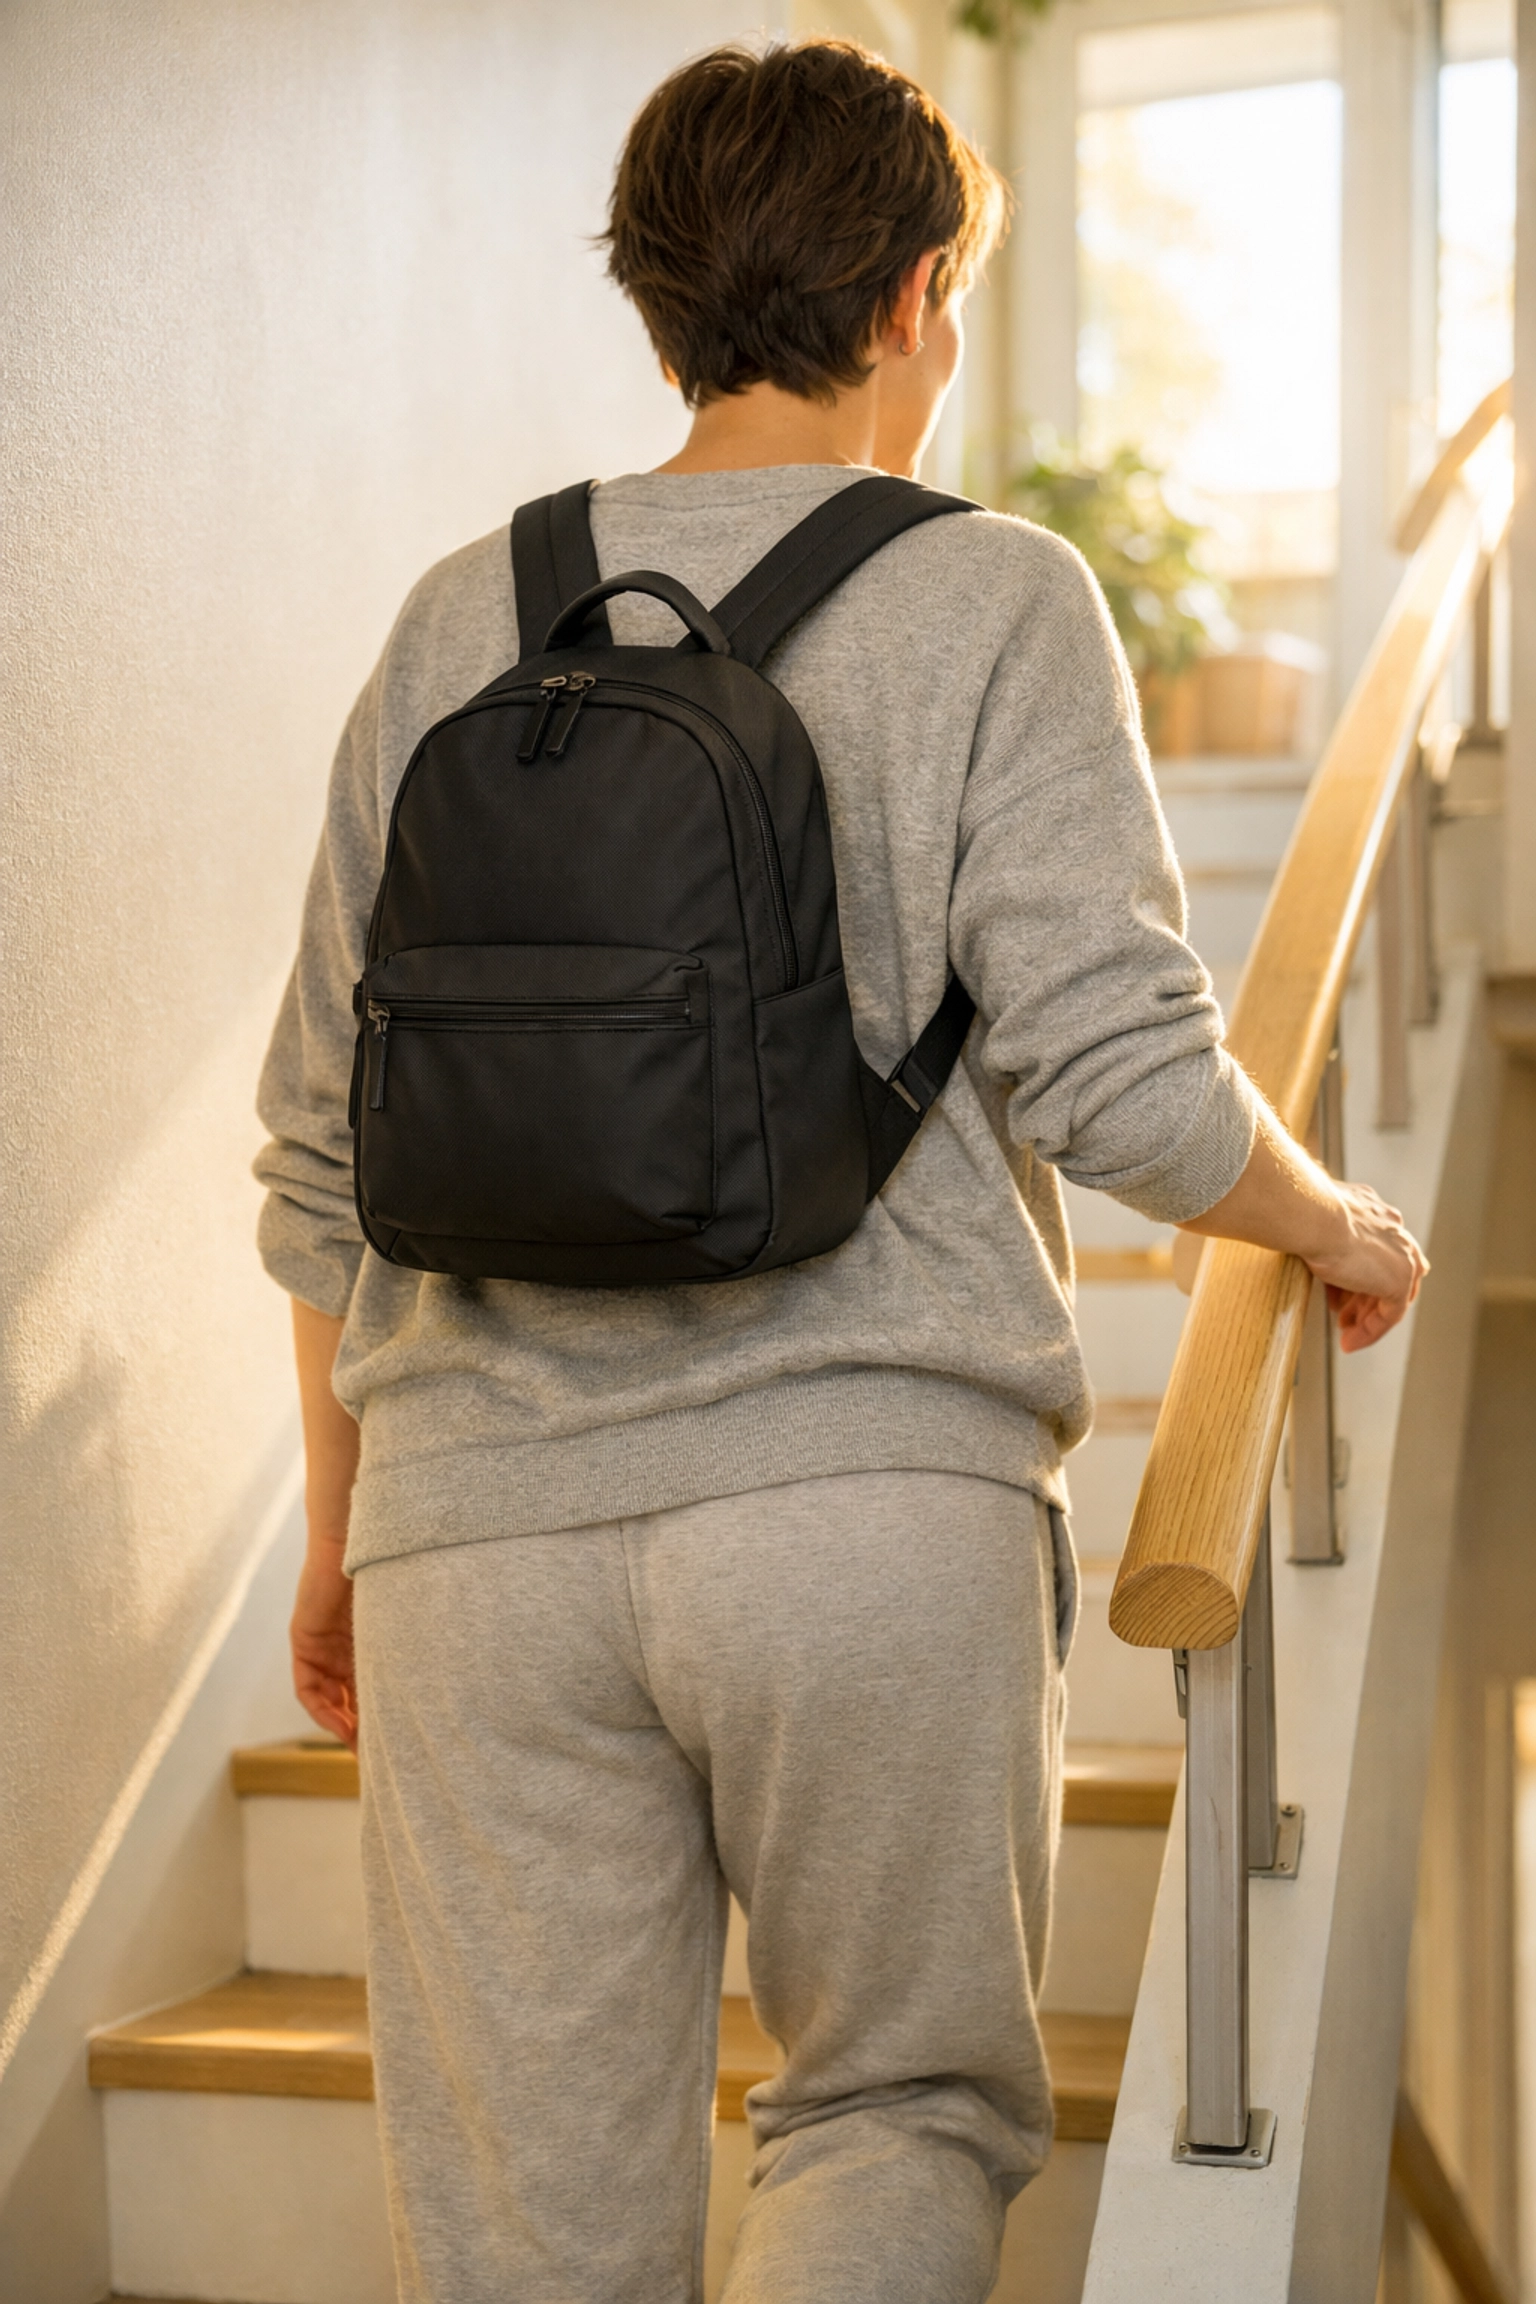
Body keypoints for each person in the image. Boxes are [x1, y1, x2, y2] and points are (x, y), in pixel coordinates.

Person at [254, 37, 1425, 2304]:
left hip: (472, 1540)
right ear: (912, 299)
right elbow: (1127, 1075)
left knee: (520, 2216)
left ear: (661, 298)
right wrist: (1332, 1223)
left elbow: (323, 1158)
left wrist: (340, 1540)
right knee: (891, 2111)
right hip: (865, 1510)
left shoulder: (449, 621)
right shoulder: (995, 597)